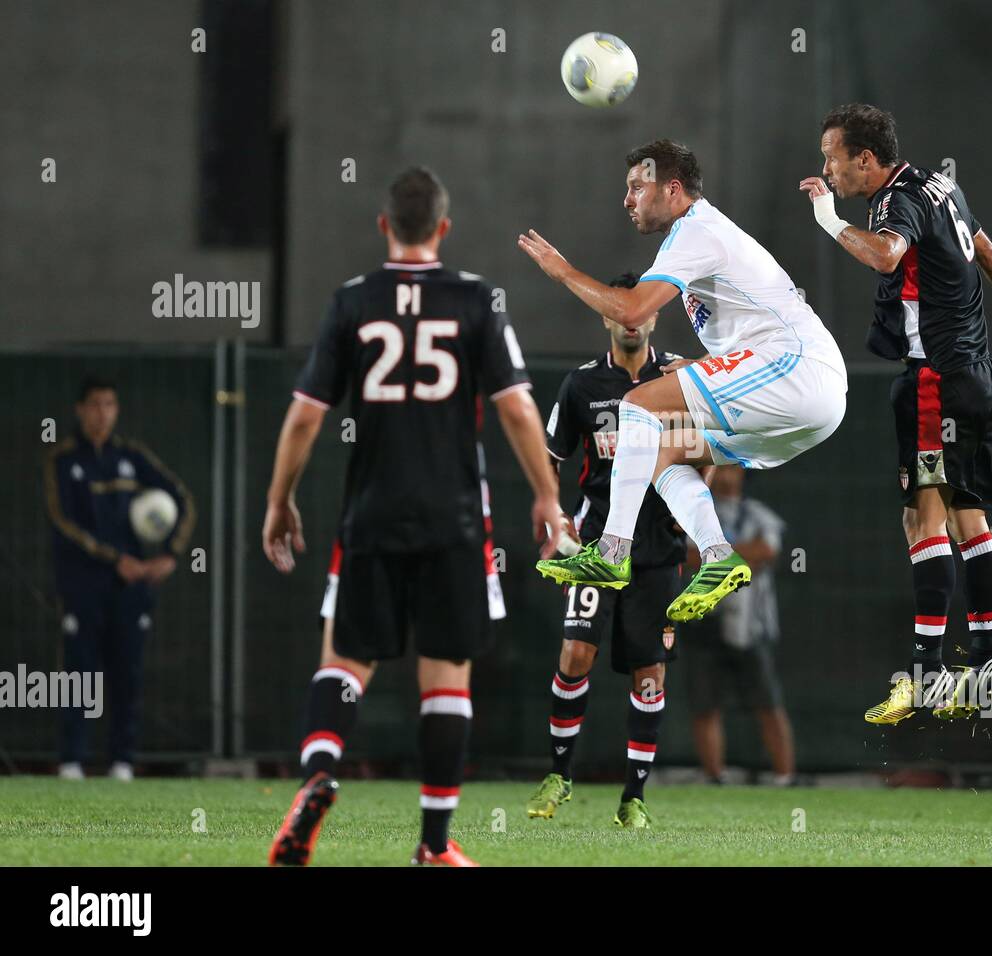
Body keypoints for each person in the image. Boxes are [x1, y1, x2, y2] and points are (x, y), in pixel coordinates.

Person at [262, 167, 564, 867]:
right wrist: (548, 496)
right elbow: (518, 408)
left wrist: (281, 500)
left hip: (370, 512)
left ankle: (317, 779)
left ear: (384, 227)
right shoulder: (475, 302)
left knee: (343, 662)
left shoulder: (352, 302)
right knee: (447, 674)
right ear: (444, 229)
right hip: (454, 517)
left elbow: (306, 416)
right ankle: (432, 845)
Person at [521, 138, 848, 623]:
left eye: (637, 186)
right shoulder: (697, 235)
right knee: (662, 450)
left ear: (673, 190)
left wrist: (563, 271)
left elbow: (631, 309)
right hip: (806, 399)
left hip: (799, 370)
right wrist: (701, 368)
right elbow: (750, 321)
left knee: (637, 405)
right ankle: (717, 556)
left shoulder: (696, 232)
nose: (627, 199)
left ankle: (611, 550)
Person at [801, 103, 992, 724]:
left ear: (865, 159)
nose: (827, 168)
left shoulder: (893, 204)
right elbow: (985, 247)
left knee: (922, 519)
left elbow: (886, 256)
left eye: (833, 156)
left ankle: (929, 671)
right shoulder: (943, 183)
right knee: (969, 519)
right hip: (977, 375)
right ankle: (987, 660)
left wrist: (829, 221)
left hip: (937, 379)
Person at [525, 274, 685, 829]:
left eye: (641, 308)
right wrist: (553, 509)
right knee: (575, 654)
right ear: (606, 317)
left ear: (657, 315)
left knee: (649, 675)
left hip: (659, 548)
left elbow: (708, 452)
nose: (631, 318)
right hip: (597, 546)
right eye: (620, 309)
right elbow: (552, 455)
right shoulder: (582, 385)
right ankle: (559, 775)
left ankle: (633, 797)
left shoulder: (682, 377)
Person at [44, 376, 195, 781]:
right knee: (79, 671)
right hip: (82, 585)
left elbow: (181, 498)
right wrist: (115, 559)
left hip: (132, 588)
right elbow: (63, 522)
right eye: (94, 404)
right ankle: (72, 760)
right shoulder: (63, 459)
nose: (102, 413)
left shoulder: (133, 457)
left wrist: (170, 555)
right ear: (80, 409)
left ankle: (122, 762)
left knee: (127, 670)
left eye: (109, 404)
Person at [682, 465, 795, 785]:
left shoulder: (758, 515)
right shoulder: (695, 512)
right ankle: (714, 776)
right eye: (721, 467)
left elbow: (767, 550)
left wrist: (714, 555)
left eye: (734, 467)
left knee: (768, 702)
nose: (727, 474)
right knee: (705, 704)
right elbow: (686, 555)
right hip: (705, 621)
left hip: (751, 626)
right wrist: (740, 556)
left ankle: (785, 777)